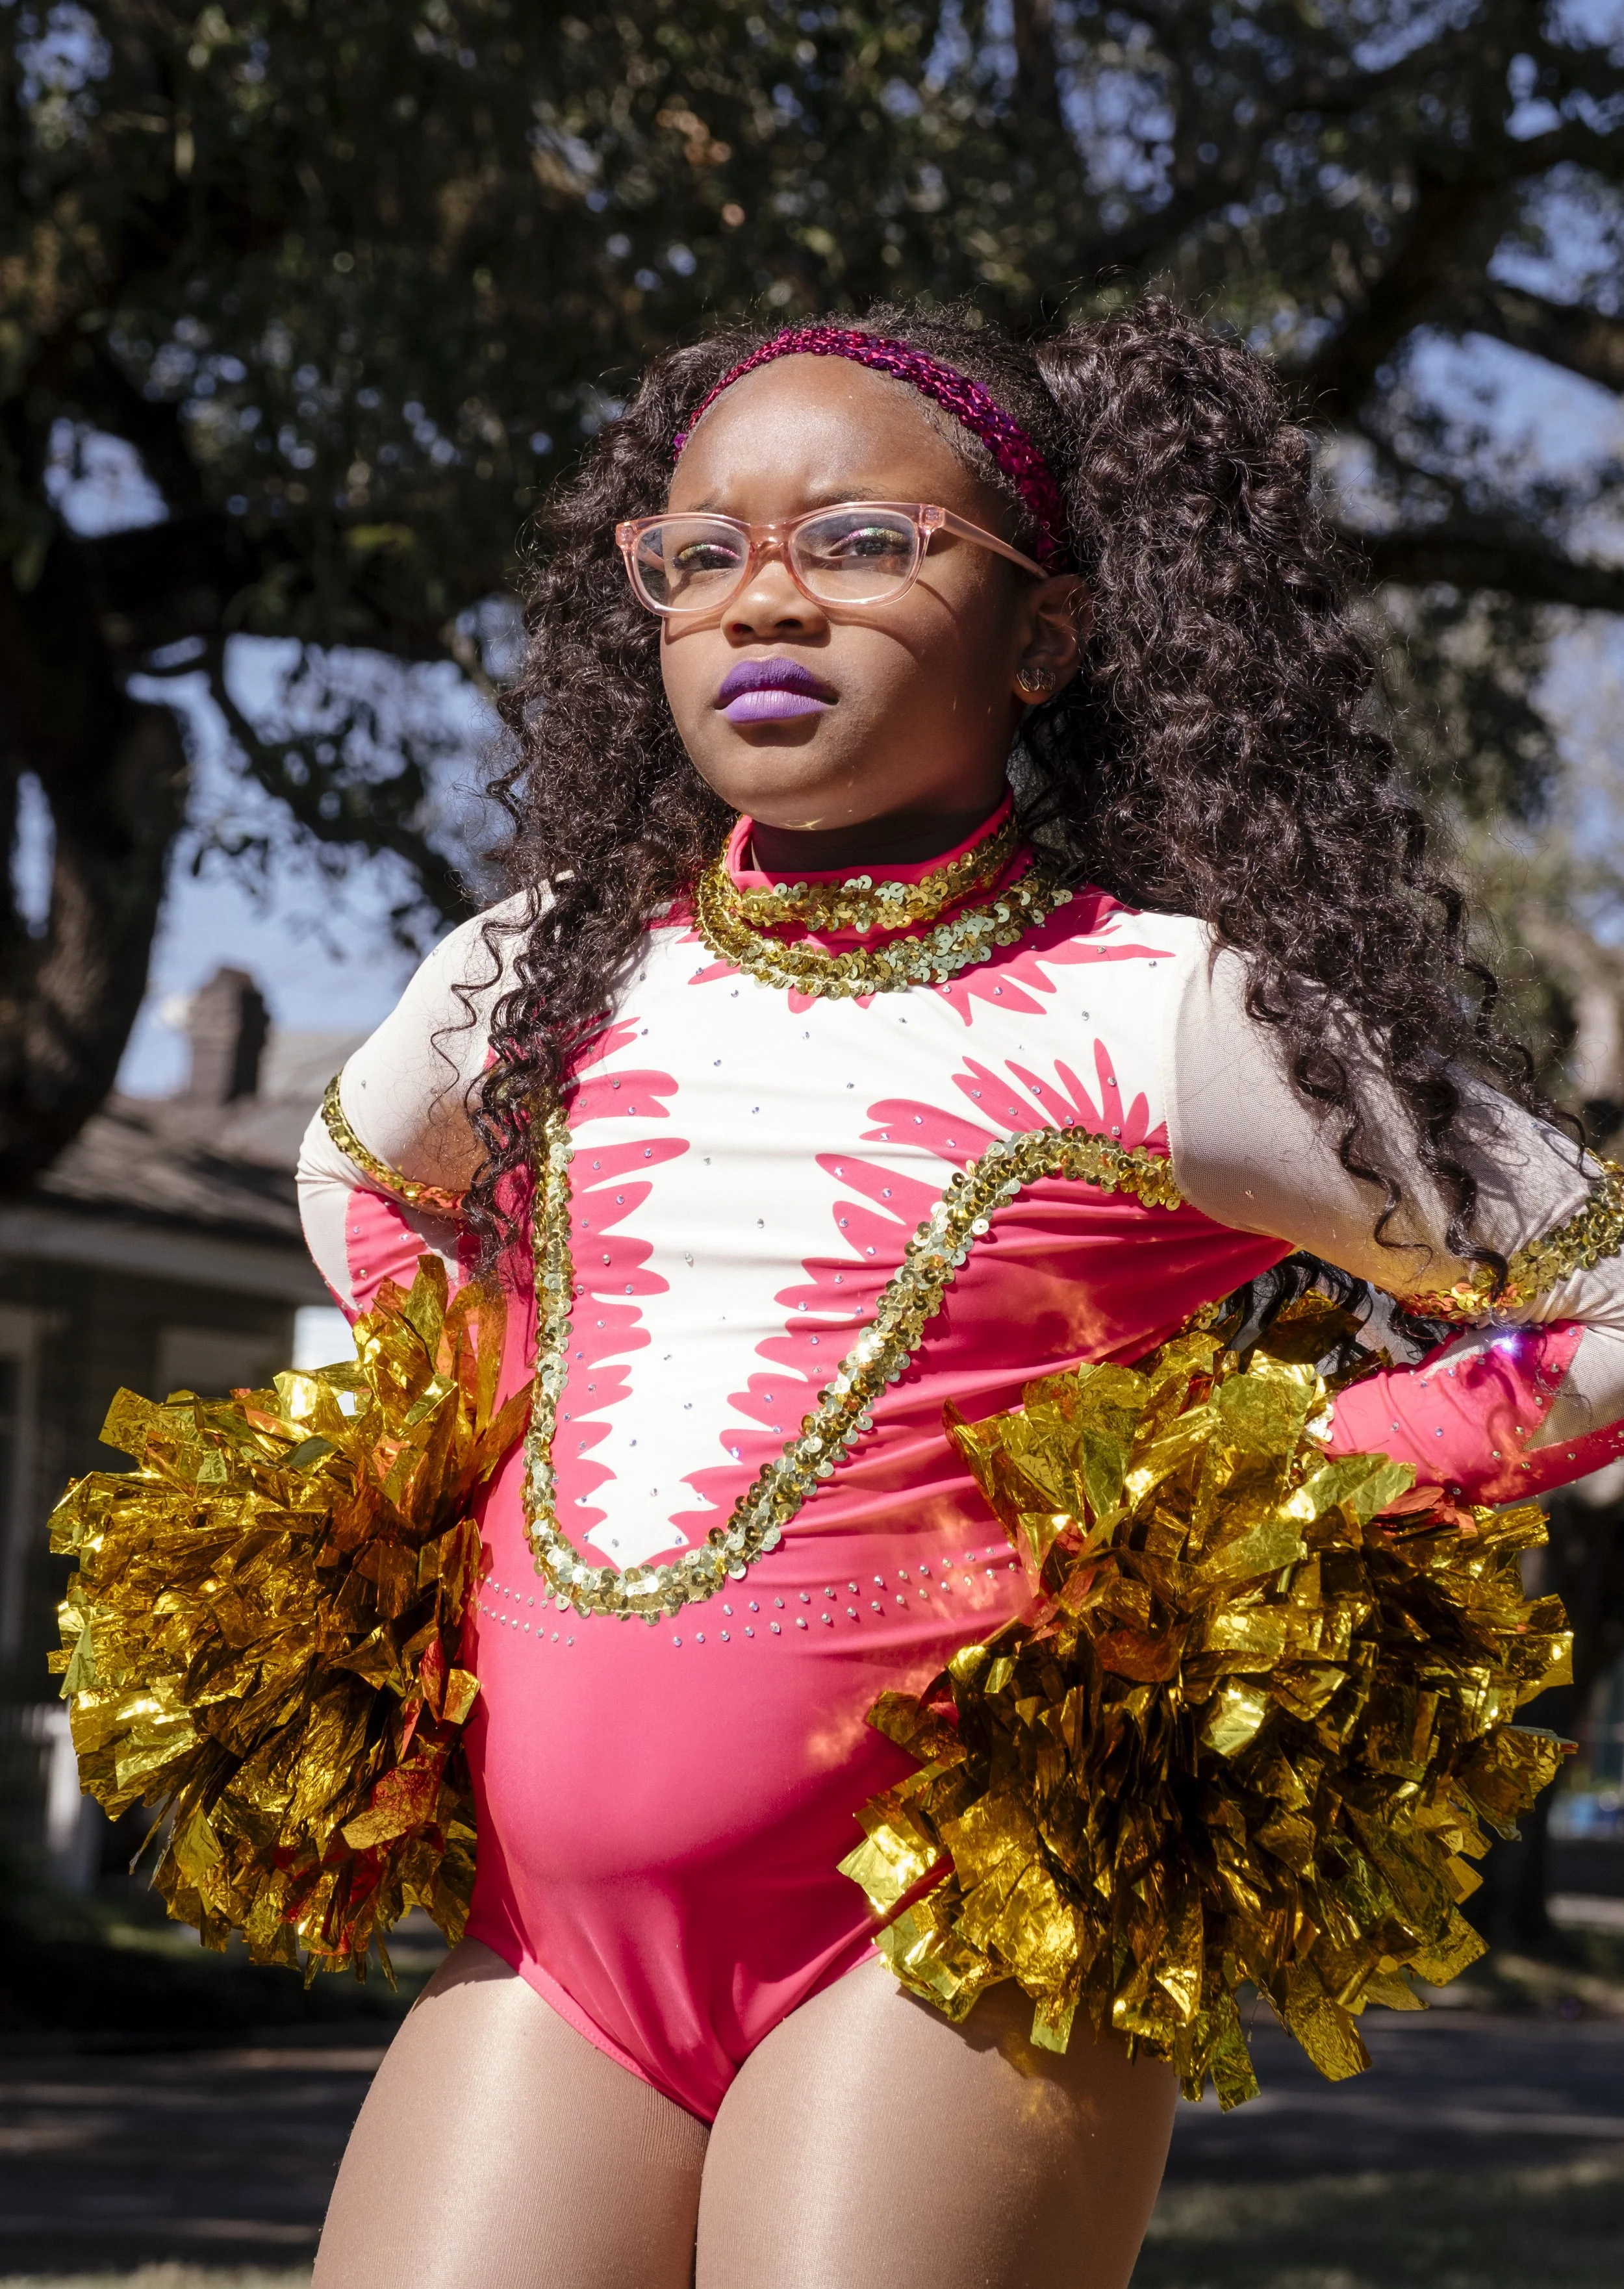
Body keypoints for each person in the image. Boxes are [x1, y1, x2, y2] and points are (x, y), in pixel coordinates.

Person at [298, 302, 1624, 2289]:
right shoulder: (534, 967)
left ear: (1046, 636)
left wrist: (1272, 1487)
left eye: (857, 544)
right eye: (697, 553)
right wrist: (484, 1387)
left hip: (948, 1936)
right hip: (555, 1953)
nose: (766, 600)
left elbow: (1593, 1295)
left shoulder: (1175, 1010)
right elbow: (359, 1170)